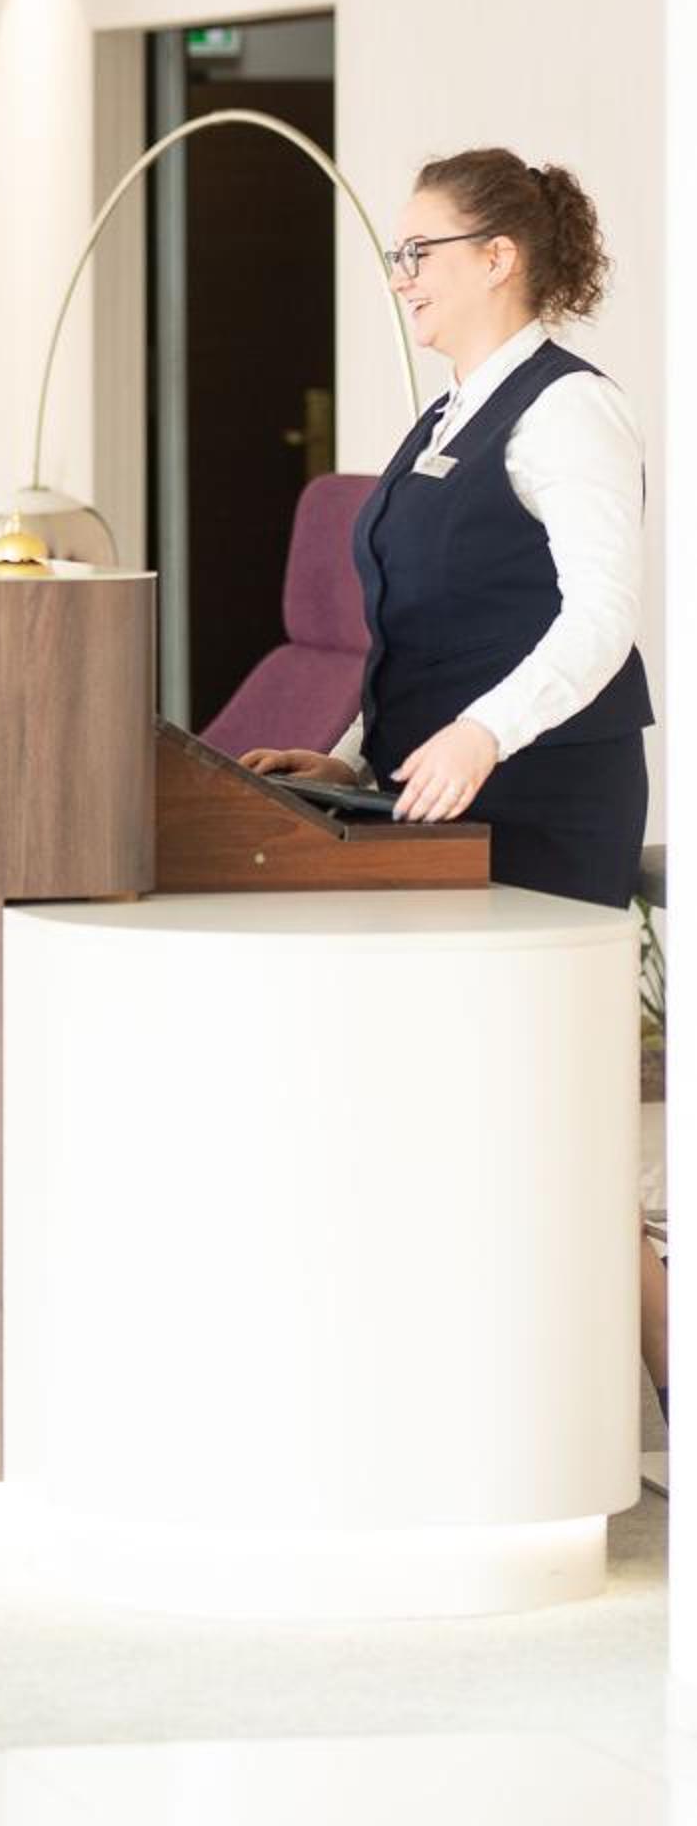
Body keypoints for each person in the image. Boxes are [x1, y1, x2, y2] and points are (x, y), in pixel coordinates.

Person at [242, 146, 665, 1404]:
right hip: (437, 798)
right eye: (398, 254)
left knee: (545, 1119)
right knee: (478, 1116)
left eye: (416, 252)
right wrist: (351, 759)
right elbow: (424, 628)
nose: (400, 276)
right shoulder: (448, 416)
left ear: (499, 258)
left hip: (543, 801)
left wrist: (485, 734)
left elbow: (599, 618)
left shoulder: (567, 410)